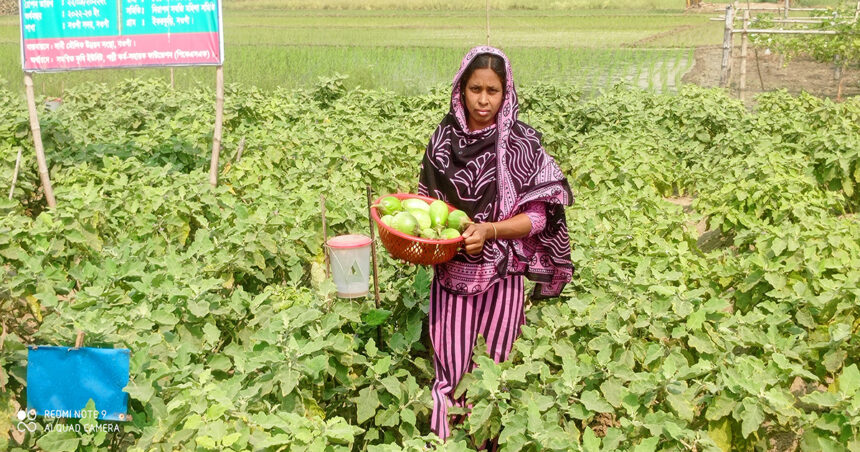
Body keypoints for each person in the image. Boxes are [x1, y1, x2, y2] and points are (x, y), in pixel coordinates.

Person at [417, 46, 574, 449]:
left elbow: (539, 217)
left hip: (503, 275)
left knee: (493, 373)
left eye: (493, 91)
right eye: (475, 89)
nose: (483, 100)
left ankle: (486, 442)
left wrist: (490, 231)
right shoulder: (442, 140)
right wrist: (448, 238)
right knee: (449, 373)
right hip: (451, 274)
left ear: (507, 93)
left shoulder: (522, 143)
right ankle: (446, 442)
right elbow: (426, 211)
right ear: (460, 90)